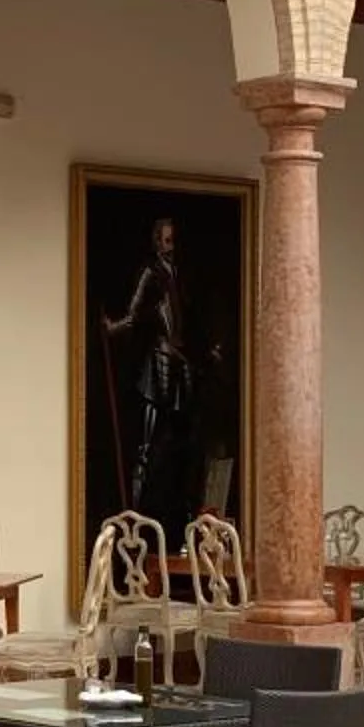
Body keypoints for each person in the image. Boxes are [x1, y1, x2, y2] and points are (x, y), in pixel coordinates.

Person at [102, 213, 200, 538]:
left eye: (168, 240)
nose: (164, 246)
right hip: (158, 358)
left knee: (180, 441)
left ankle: (180, 514)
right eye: (160, 239)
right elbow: (132, 314)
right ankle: (134, 515)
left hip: (180, 359)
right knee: (146, 444)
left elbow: (187, 316)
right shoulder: (150, 273)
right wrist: (114, 327)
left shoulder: (181, 275)